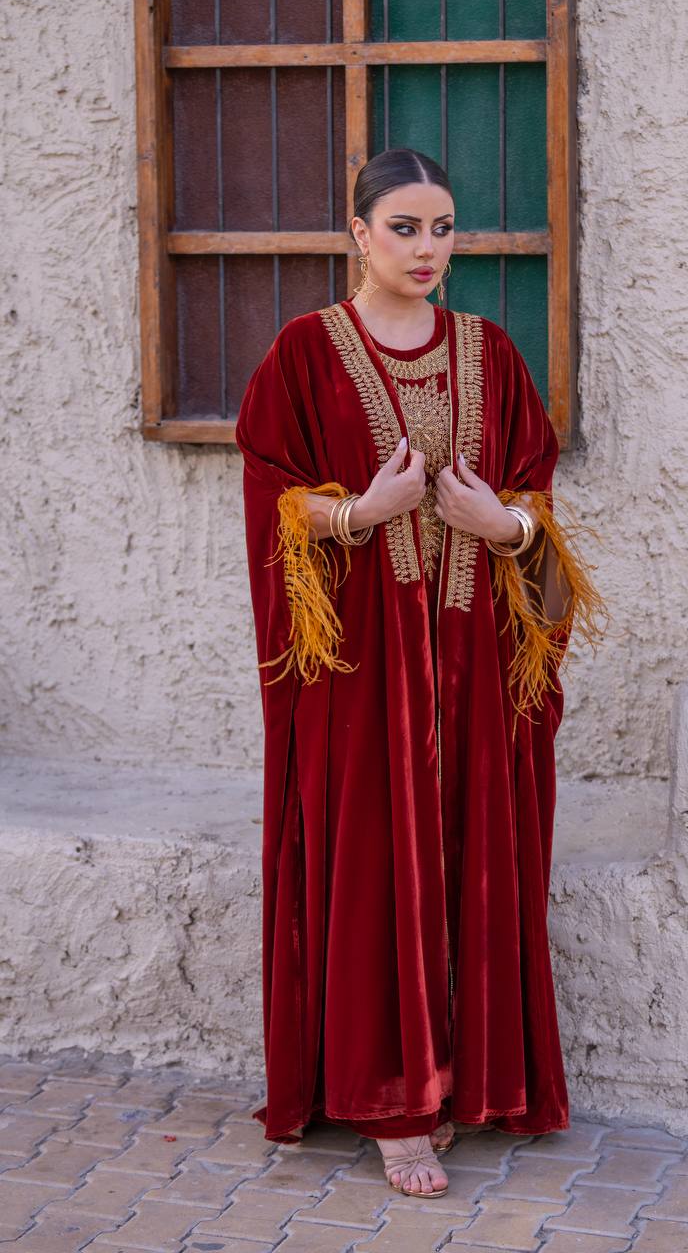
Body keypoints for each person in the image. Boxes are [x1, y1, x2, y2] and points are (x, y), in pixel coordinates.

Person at [235, 147, 607, 1199]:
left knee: (477, 856)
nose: (428, 248)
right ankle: (393, 1101)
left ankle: (475, 1079)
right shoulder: (303, 356)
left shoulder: (492, 353)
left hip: (476, 667)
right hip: (358, 668)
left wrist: (506, 523)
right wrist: (361, 514)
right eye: (405, 227)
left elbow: (534, 493)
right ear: (357, 233)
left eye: (444, 228)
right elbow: (273, 500)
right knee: (371, 866)